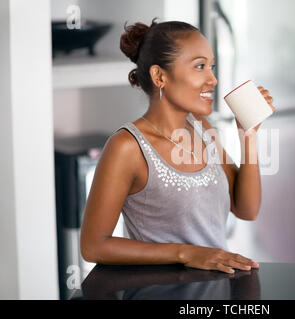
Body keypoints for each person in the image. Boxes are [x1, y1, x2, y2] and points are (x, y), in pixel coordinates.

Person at [80, 18, 276, 274]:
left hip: (213, 291)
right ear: (159, 76)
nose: (213, 79)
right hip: (159, 291)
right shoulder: (127, 147)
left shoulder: (203, 128)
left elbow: (246, 209)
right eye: (200, 66)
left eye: (212, 67)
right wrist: (186, 253)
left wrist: (247, 133)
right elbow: (94, 246)